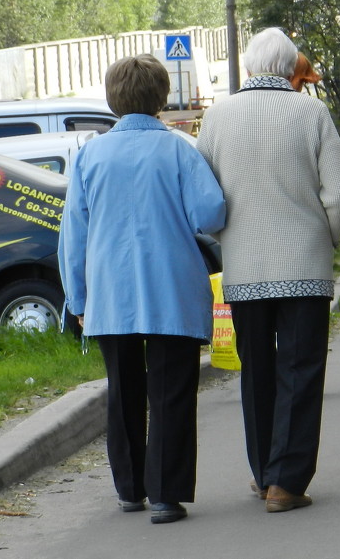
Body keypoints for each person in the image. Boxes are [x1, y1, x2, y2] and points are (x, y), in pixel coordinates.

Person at [58, 54, 226, 526]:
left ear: (113, 99)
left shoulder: (90, 155)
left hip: (110, 293)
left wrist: (78, 298)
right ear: (161, 98)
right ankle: (166, 495)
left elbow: (74, 233)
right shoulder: (178, 150)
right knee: (172, 391)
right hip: (171, 287)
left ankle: (129, 488)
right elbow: (210, 214)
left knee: (124, 390)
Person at [196, 28, 340, 514]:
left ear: (247, 68)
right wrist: (326, 236)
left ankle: (264, 470)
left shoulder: (217, 116)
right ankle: (287, 481)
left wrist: (223, 239)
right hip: (303, 262)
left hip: (243, 268)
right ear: (291, 69)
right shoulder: (312, 111)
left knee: (256, 370)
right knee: (302, 368)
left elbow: (204, 195)